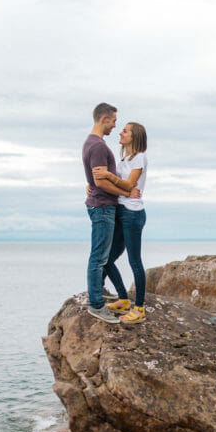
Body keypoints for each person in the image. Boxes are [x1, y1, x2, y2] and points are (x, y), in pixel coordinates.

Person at [82, 103, 140, 324]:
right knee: (99, 257)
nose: (115, 126)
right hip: (103, 207)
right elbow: (100, 182)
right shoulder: (97, 146)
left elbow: (97, 181)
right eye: (114, 121)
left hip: (104, 205)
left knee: (106, 256)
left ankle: (100, 290)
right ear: (104, 118)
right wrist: (126, 190)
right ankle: (96, 304)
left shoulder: (93, 143)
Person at [93, 122, 148, 324]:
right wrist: (93, 187)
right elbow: (115, 185)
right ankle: (123, 299)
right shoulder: (124, 158)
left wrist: (108, 175)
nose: (120, 132)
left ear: (134, 137)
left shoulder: (140, 158)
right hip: (120, 211)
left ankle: (139, 309)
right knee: (106, 259)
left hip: (133, 214)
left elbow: (129, 185)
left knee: (135, 261)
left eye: (125, 131)